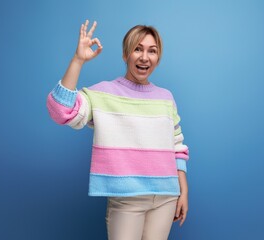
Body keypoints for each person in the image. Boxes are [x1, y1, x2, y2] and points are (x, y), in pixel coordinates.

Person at [47, 20, 189, 240]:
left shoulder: (166, 98)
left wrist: (183, 192)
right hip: (126, 198)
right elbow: (61, 111)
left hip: (166, 197)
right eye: (137, 49)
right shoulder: (103, 94)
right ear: (126, 55)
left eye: (152, 51)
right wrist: (78, 60)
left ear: (158, 58)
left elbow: (177, 146)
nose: (144, 57)